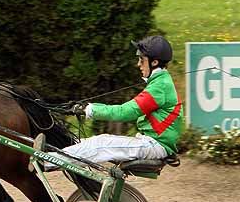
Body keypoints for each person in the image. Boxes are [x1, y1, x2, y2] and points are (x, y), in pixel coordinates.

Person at [50, 35, 183, 164]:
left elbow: (124, 112)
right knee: (96, 141)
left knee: (100, 145)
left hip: (155, 145)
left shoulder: (160, 87)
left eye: (142, 60)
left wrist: (90, 109)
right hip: (151, 142)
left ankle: (47, 161)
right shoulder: (161, 82)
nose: (138, 64)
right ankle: (51, 155)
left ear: (154, 62)